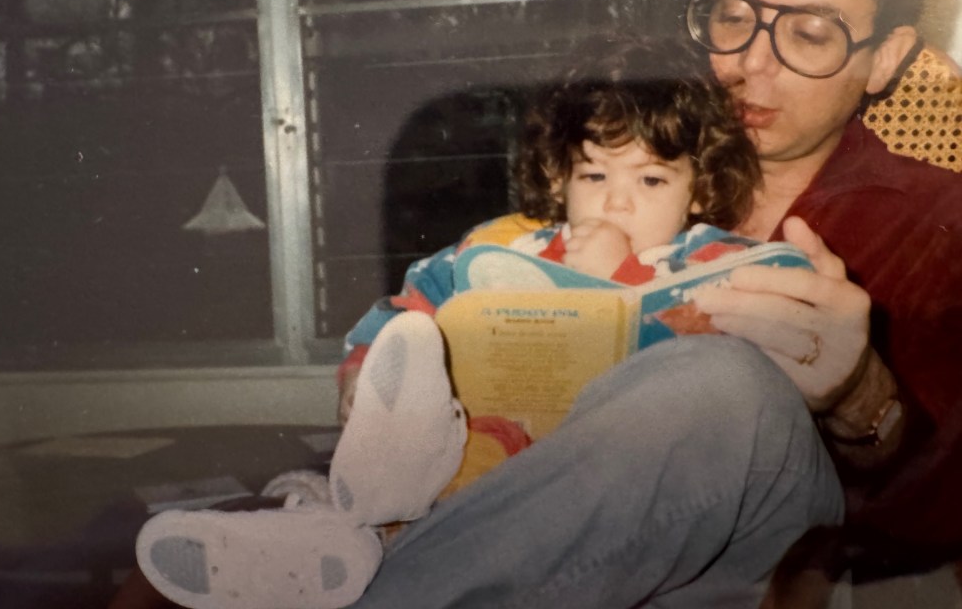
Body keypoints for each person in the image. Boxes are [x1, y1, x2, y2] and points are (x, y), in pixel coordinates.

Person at [113, 0, 962, 608]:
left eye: (811, 32)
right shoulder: (606, 175)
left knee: (722, 384)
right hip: (580, 562)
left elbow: (946, 517)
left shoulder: (940, 224)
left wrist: (861, 401)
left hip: (772, 560)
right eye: (734, 16)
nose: (749, 63)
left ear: (887, 56)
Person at [132, 36, 773, 609]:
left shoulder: (705, 262)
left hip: (576, 482)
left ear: (697, 188)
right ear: (559, 177)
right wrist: (366, 369)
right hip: (459, 446)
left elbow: (726, 360)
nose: (617, 200)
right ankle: (325, 532)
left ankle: (350, 536)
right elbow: (412, 300)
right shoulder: (504, 246)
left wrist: (616, 276)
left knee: (441, 503)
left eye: (653, 179)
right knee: (399, 458)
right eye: (595, 174)